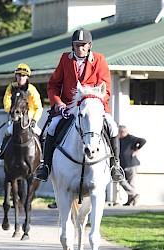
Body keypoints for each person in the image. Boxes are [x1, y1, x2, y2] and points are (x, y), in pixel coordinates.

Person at [35, 28, 124, 182]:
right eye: (77, 45)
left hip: (93, 107)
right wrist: (58, 103)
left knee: (112, 126)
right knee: (52, 127)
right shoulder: (65, 59)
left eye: (83, 45)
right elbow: (53, 85)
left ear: (89, 46)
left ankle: (115, 165)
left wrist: (95, 102)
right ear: (73, 46)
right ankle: (46, 166)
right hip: (68, 108)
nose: (80, 48)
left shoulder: (99, 60)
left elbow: (106, 89)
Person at [0, 63, 43, 159]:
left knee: (42, 134)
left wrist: (34, 120)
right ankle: (3, 153)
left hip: (29, 119)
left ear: (27, 77)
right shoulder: (11, 87)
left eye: (23, 75)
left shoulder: (32, 89)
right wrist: (12, 111)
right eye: (19, 75)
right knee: (8, 132)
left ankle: (44, 158)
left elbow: (39, 107)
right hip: (16, 118)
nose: (21, 78)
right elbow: (6, 101)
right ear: (16, 76)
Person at [118, 125, 146, 206]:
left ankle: (132, 198)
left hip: (131, 164)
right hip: (123, 164)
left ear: (123, 132)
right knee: (123, 181)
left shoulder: (131, 138)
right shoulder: (120, 139)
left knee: (130, 183)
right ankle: (133, 197)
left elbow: (143, 141)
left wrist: (137, 149)